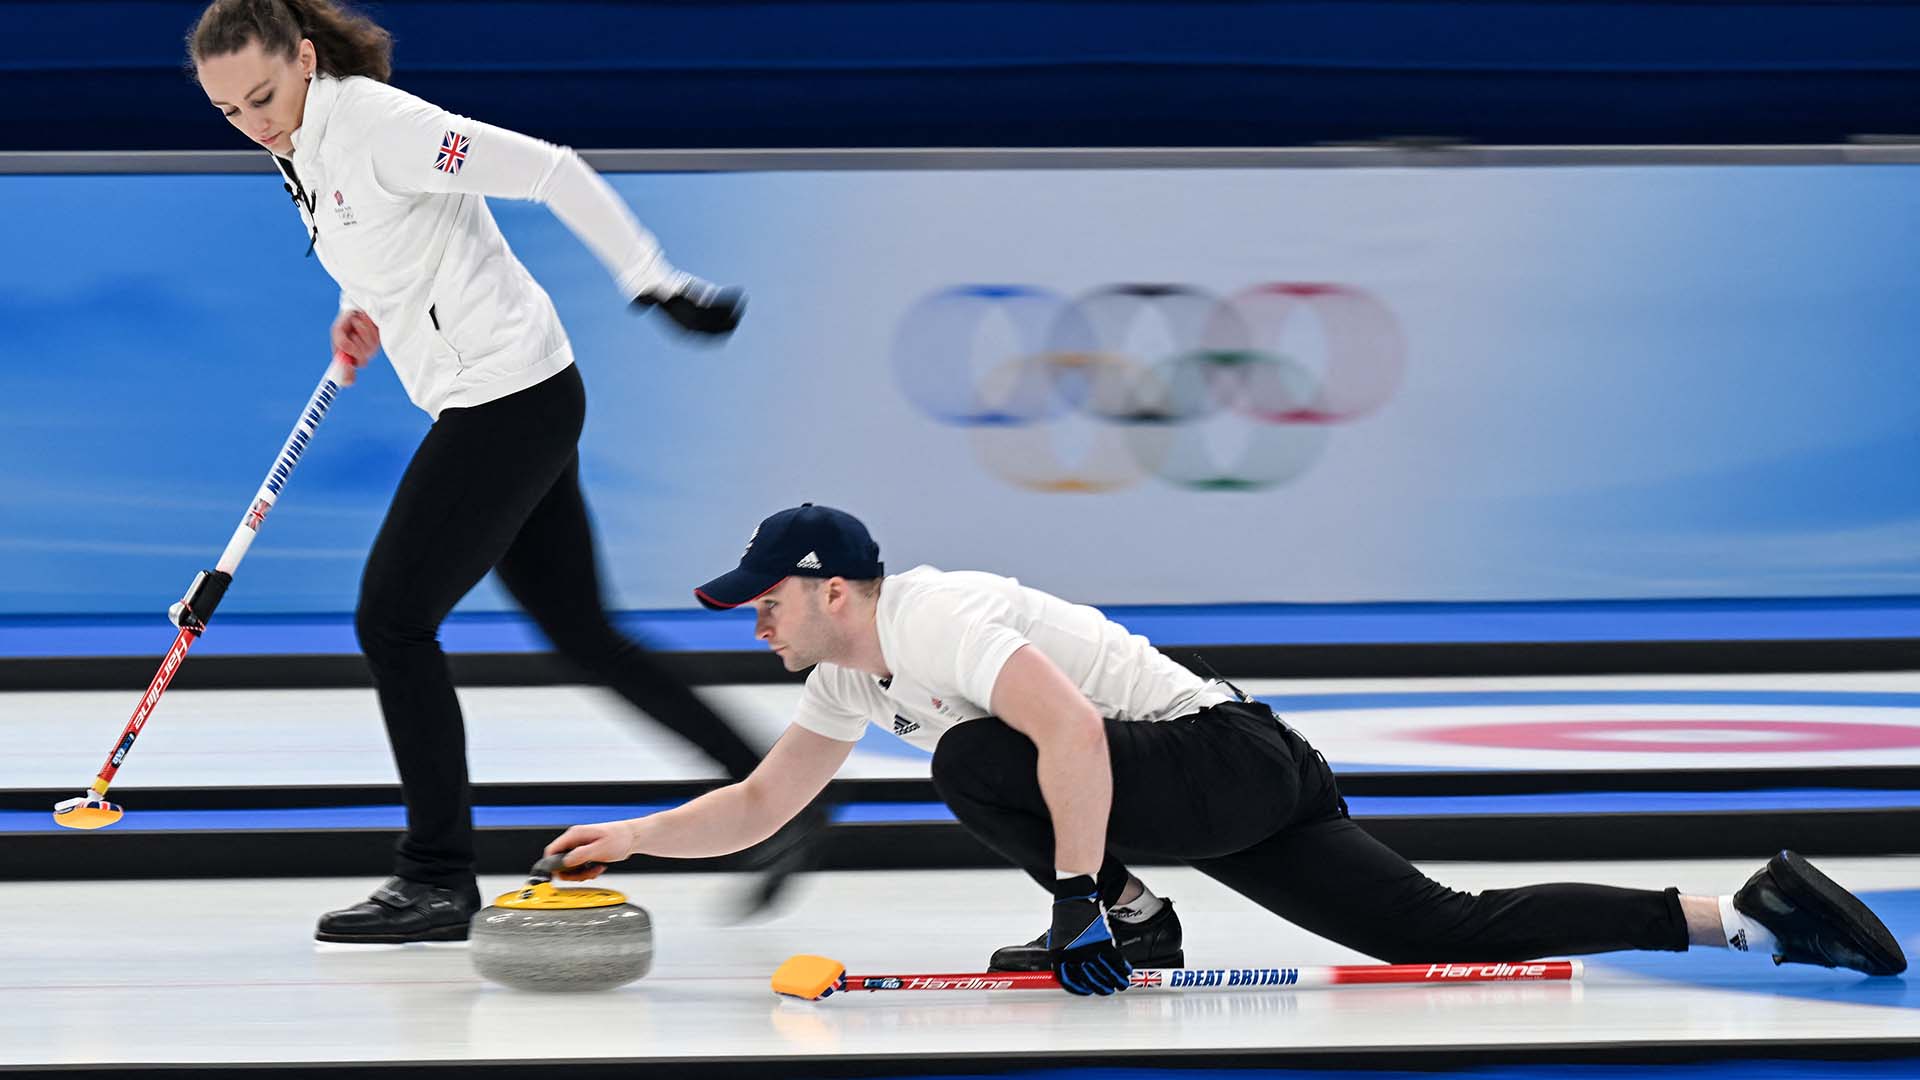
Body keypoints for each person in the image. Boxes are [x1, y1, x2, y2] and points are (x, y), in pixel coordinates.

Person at [544, 503, 1908, 995]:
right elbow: (768, 798)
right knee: (1429, 931)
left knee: (976, 762)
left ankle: (1137, 919)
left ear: (832, 588)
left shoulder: (938, 616)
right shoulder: (852, 673)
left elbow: (1068, 733)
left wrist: (1081, 903)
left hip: (1217, 757)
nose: (755, 622)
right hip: (1229, 778)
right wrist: (636, 840)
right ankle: (1746, 913)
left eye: (765, 602)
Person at [189, 0, 796, 943]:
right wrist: (361, 305)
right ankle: (775, 797)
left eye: (262, 96)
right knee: (583, 632)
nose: (253, 123)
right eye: (228, 111)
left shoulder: (384, 125)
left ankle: (435, 877)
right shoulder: (297, 141)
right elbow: (379, 232)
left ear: (305, 59)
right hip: (510, 396)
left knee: (392, 622)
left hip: (506, 400)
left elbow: (550, 170)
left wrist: (655, 281)